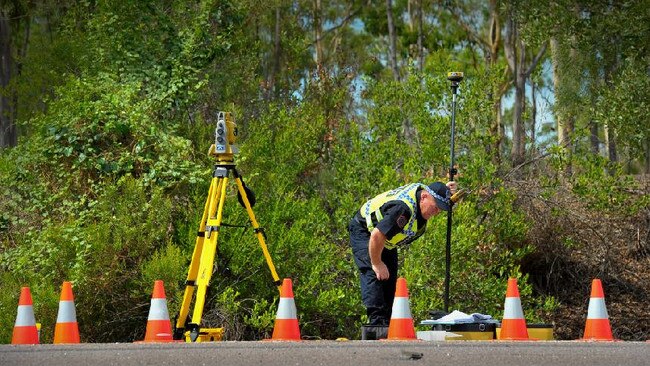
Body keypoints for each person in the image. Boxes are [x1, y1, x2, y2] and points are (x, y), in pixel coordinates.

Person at [348, 181, 457, 326]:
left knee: (389, 281)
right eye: (435, 207)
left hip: (386, 240)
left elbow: (435, 191)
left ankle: (388, 324)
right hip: (366, 232)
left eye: (439, 209)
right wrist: (377, 263)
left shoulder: (424, 196)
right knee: (374, 274)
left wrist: (446, 190)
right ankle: (377, 325)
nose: (436, 212)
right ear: (423, 197)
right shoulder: (403, 209)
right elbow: (377, 235)